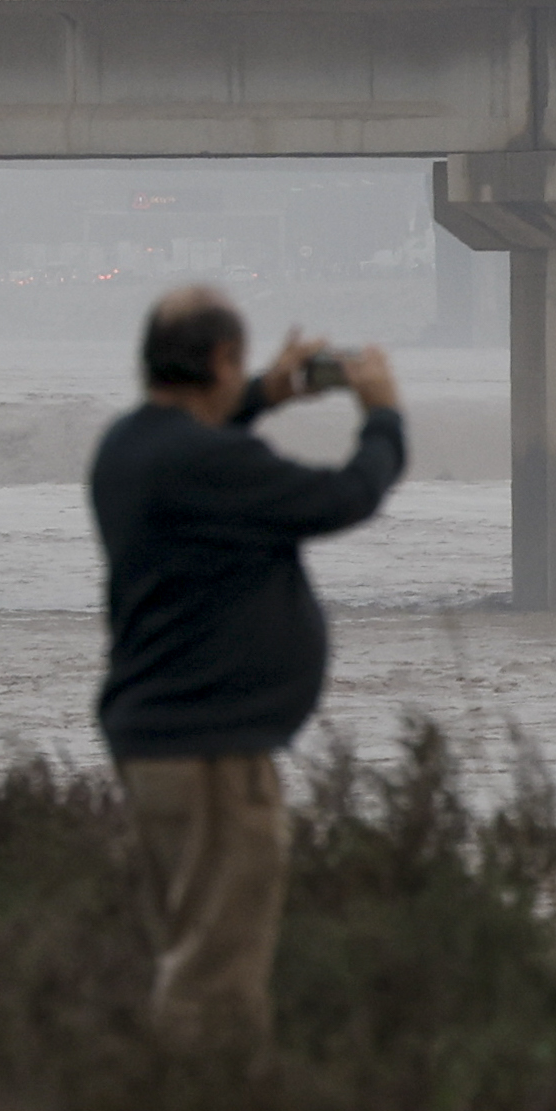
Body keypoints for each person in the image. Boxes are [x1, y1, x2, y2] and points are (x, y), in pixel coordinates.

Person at [89, 287, 406, 1049]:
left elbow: (197, 445)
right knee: (217, 979)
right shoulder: (216, 465)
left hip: (152, 744)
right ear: (221, 359)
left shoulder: (126, 449)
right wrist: (382, 416)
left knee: (184, 949)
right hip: (214, 757)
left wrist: (265, 393)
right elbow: (346, 495)